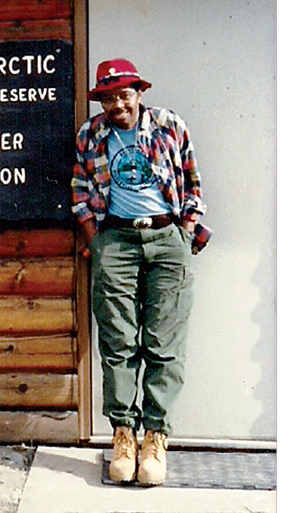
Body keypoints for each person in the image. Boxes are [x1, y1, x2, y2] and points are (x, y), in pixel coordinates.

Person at [71, 59, 211, 486]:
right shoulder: (91, 134)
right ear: (102, 101)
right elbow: (80, 189)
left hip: (167, 237)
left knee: (164, 341)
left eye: (125, 94)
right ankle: (123, 436)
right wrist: (94, 237)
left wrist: (186, 230)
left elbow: (191, 179)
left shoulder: (169, 125)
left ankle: (155, 437)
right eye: (109, 97)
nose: (118, 103)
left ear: (139, 93)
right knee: (118, 340)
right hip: (115, 240)